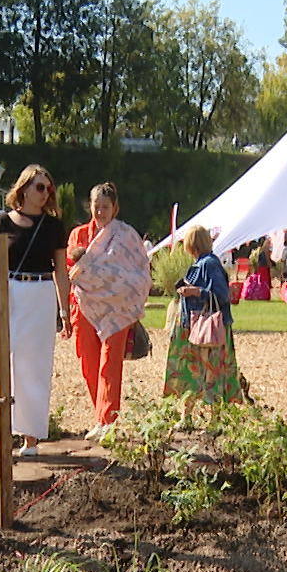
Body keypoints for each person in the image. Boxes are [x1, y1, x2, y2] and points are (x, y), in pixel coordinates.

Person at [0, 165, 69, 458]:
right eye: (40, 187)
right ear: (23, 188)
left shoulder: (53, 226)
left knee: (33, 367)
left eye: (48, 188)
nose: (45, 193)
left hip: (40, 294)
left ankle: (30, 438)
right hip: (7, 290)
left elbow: (61, 272)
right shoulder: (2, 222)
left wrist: (65, 313)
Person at [67, 183, 151, 440]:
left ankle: (108, 420)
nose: (101, 212)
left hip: (117, 310)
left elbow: (138, 271)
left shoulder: (125, 236)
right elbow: (74, 270)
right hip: (84, 308)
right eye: (96, 206)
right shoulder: (78, 235)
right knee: (89, 364)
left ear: (115, 208)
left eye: (106, 207)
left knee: (110, 362)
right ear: (89, 206)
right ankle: (100, 416)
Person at [164, 226, 246, 404]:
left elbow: (222, 295)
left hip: (207, 327)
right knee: (198, 372)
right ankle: (192, 413)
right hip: (196, 326)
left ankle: (213, 415)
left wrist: (195, 292)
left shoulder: (209, 264)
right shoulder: (202, 263)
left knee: (208, 371)